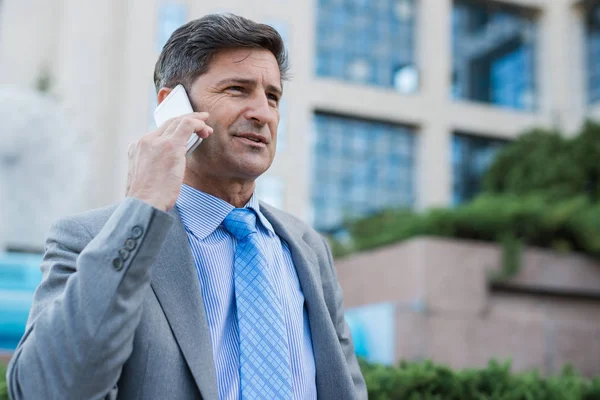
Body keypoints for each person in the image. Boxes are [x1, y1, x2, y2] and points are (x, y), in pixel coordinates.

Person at [6, 13, 367, 400]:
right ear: (174, 106)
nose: (263, 113)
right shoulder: (90, 239)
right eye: (237, 89)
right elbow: (47, 389)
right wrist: (142, 206)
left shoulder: (308, 247)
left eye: (273, 97)